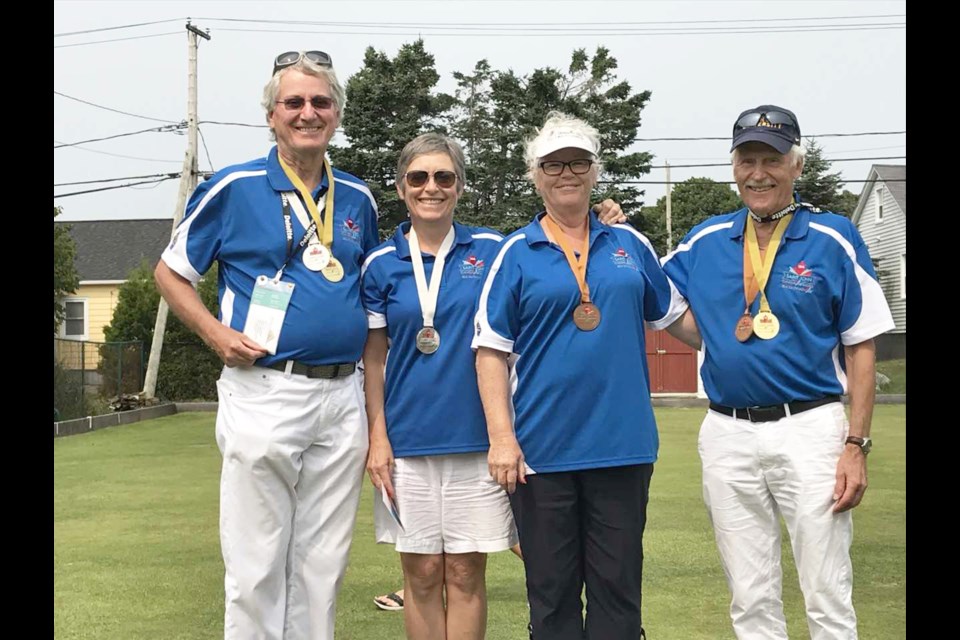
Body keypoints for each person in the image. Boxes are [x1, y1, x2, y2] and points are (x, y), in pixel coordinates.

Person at [361, 132, 625, 636]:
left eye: (444, 177)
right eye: (418, 178)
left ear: (460, 186)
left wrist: (597, 226)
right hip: (407, 443)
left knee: (464, 572)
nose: (431, 188)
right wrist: (378, 435)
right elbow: (374, 358)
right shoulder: (380, 263)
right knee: (419, 574)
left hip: (479, 442)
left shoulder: (494, 250)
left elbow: (558, 253)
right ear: (401, 187)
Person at [155, 51, 379, 640]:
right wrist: (214, 333)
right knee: (257, 557)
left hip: (342, 394)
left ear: (337, 114)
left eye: (321, 102)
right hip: (264, 389)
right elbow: (171, 271)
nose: (309, 113)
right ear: (272, 115)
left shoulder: (358, 197)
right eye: (295, 102)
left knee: (323, 560)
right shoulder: (233, 186)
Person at [659, 104, 895, 640]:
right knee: (749, 597)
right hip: (726, 430)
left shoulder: (832, 237)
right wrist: (614, 233)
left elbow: (862, 345)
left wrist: (855, 445)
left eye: (772, 159)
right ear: (734, 167)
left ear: (796, 166)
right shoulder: (704, 239)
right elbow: (655, 297)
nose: (758, 173)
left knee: (827, 591)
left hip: (810, 428)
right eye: (747, 160)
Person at [472, 112, 689, 640]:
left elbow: (680, 319)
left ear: (595, 171)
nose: (566, 172)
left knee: (619, 596)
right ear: (535, 174)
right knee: (552, 598)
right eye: (553, 164)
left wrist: (755, 336)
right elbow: (490, 352)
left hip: (622, 447)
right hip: (541, 454)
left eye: (578, 162)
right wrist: (502, 439)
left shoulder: (629, 245)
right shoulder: (515, 253)